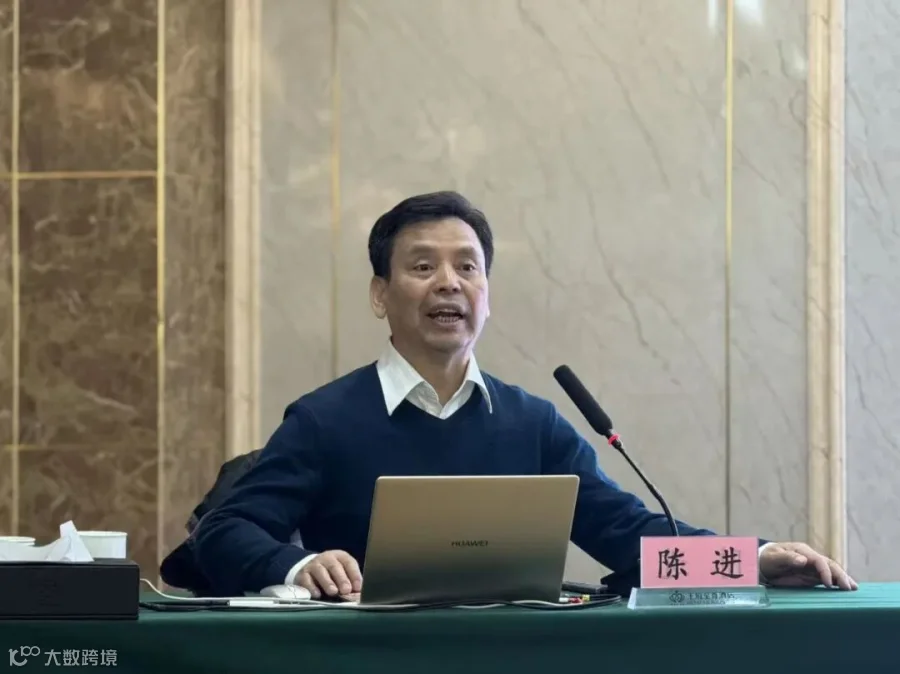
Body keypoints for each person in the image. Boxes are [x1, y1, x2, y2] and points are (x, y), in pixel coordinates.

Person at [193, 191, 857, 598]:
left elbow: (627, 534)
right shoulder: (327, 419)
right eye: (422, 266)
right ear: (379, 294)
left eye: (468, 267)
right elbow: (223, 532)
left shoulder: (531, 422)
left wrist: (750, 560)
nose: (448, 283)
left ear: (487, 297)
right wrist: (299, 564)